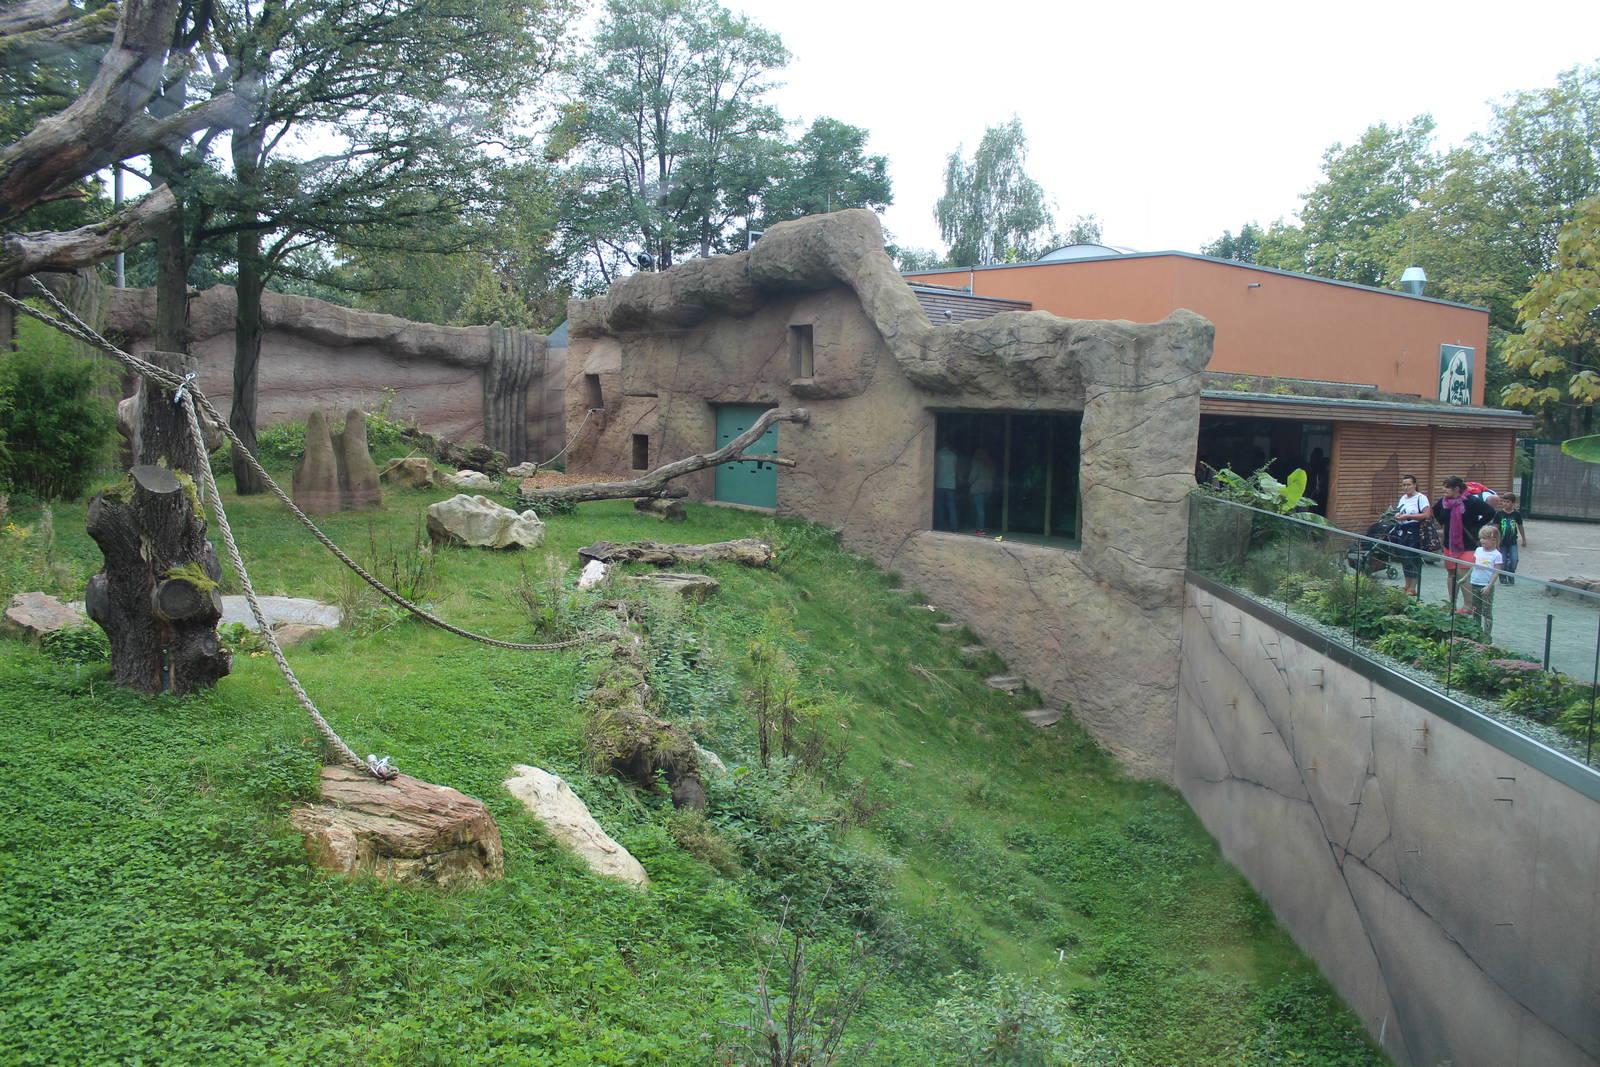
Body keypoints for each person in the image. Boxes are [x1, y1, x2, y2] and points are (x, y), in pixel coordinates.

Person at [1434, 476, 1497, 605]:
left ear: (1456, 488)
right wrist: (1444, 523)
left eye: (1447, 487)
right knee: (1451, 574)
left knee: (1463, 575)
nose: (1443, 489)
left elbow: (1490, 512)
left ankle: (1468, 605)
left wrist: (1477, 525)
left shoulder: (1471, 501)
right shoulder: (1444, 501)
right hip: (1449, 544)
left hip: (1467, 544)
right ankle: (1451, 603)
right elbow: (1435, 510)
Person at [1392, 474, 1432, 597]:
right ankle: (1406, 584)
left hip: (1415, 531)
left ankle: (1413, 587)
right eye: (1404, 485)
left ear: (1414, 485)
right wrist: (1398, 515)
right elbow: (1401, 511)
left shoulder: (1421, 498)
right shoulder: (1403, 498)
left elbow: (1426, 515)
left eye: (1409, 484)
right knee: (1404, 558)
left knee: (1412, 558)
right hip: (1402, 529)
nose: (1406, 487)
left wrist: (1409, 516)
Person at [1468, 524, 1503, 638]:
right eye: (1481, 538)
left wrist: (1489, 586)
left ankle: (1487, 635)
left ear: (1493, 540)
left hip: (1486, 585)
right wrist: (1465, 578)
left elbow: (1496, 572)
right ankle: (1476, 632)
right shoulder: (1478, 550)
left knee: (1487, 612)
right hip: (1475, 582)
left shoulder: (1497, 555)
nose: (1482, 540)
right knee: (1475, 609)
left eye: (1485, 538)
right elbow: (1473, 565)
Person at [1494, 493, 1528, 585]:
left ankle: (1511, 574)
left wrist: (1523, 539)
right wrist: (1495, 540)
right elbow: (1496, 528)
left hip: (1512, 542)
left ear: (1513, 503)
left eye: (1507, 502)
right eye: (1503, 501)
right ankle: (1502, 576)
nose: (1505, 503)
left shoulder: (1516, 514)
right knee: (1503, 561)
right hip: (1502, 542)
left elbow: (1520, 526)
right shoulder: (1499, 514)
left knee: (1514, 559)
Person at [969, 447, 996, 534]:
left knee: (979, 510)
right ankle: (978, 527)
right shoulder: (990, 463)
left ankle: (980, 529)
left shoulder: (977, 463)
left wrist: (969, 482)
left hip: (978, 489)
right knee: (982, 509)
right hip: (988, 489)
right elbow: (993, 475)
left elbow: (973, 476)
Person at [934, 442, 959, 530]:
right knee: (951, 505)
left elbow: (935, 469)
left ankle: (939, 525)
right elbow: (955, 469)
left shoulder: (938, 454)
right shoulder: (954, 456)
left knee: (939, 504)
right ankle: (954, 525)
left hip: (940, 483)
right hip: (951, 484)